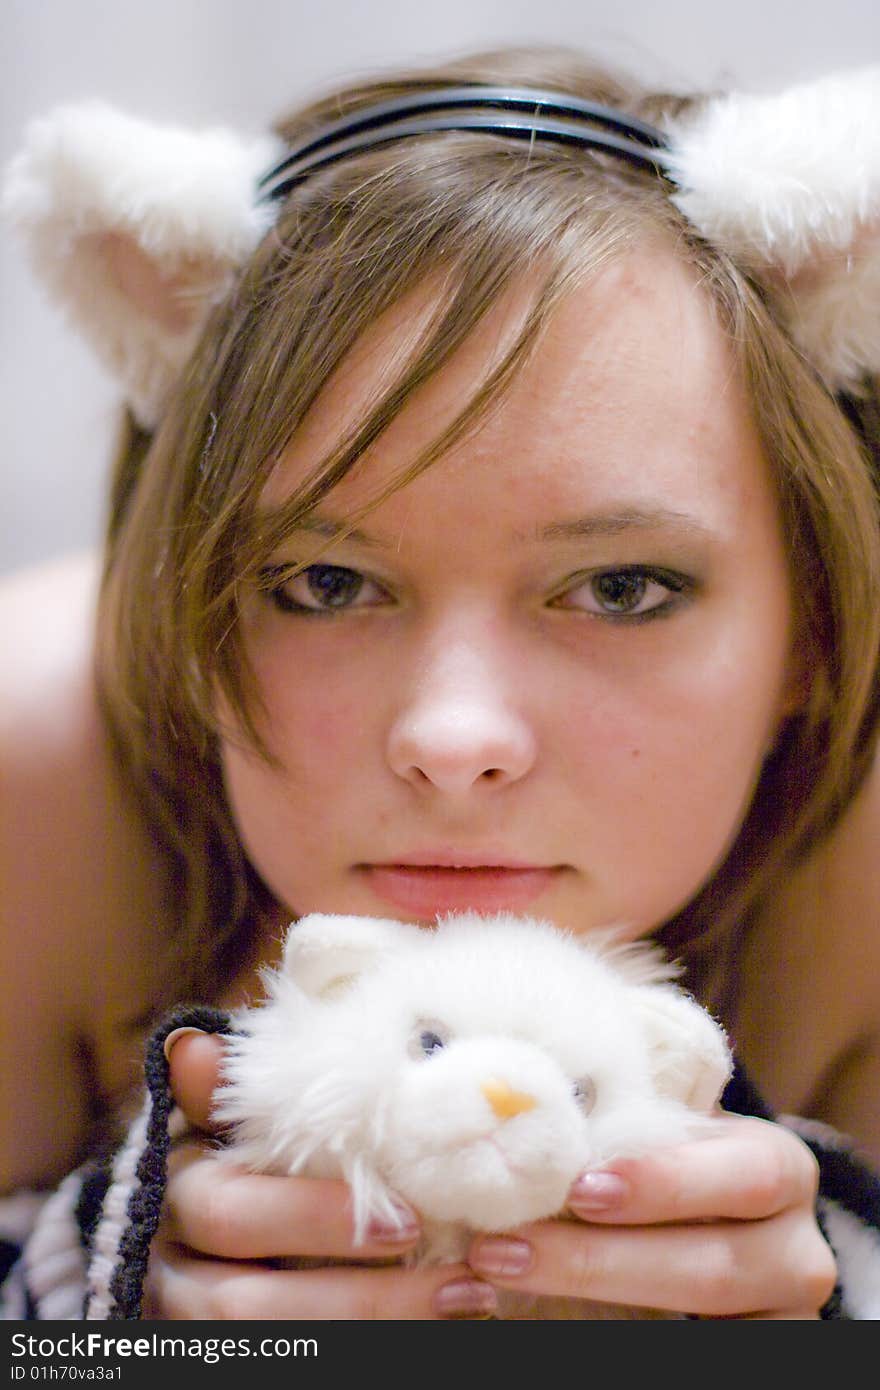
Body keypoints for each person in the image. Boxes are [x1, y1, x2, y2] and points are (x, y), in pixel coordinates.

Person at [2, 44, 880, 1321]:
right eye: (324, 583)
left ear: (815, 622)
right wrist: (105, 1300)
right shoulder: (33, 782)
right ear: (178, 604)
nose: (453, 736)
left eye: (622, 588)